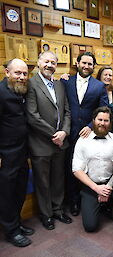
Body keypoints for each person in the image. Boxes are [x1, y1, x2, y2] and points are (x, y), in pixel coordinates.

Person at [26, 51, 72, 230]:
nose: (49, 65)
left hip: (61, 143)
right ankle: (46, 215)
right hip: (41, 143)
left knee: (58, 179)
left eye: (53, 62)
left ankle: (58, 209)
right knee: (43, 182)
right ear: (39, 62)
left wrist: (64, 133)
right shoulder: (31, 84)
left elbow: (67, 111)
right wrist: (55, 134)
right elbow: (32, 116)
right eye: (46, 61)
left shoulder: (60, 85)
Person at [61, 52, 108, 216]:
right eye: (84, 63)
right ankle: (73, 201)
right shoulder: (66, 81)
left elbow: (104, 110)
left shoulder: (99, 86)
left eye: (90, 64)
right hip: (69, 132)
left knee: (89, 167)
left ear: (93, 67)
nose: (87, 66)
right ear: (77, 63)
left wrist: (90, 126)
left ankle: (88, 198)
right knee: (71, 168)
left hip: (89, 133)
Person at [72, 107, 113, 232]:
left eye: (106, 120)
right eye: (100, 120)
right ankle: (99, 204)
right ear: (93, 120)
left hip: (110, 182)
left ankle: (110, 204)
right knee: (90, 227)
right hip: (90, 184)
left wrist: (107, 188)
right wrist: (96, 188)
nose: (102, 123)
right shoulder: (82, 140)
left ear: (110, 123)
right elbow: (76, 169)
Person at [0, 59, 34, 247]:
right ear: (7, 72)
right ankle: (11, 231)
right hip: (6, 154)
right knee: (7, 193)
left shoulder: (21, 89)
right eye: (17, 73)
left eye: (24, 73)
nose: (21, 77)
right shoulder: (1, 92)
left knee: (20, 190)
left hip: (22, 152)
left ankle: (17, 223)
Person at [96, 66, 113, 136]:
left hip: (111, 131)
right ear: (100, 76)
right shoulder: (94, 91)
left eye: (110, 75)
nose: (108, 77)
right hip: (95, 130)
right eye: (105, 75)